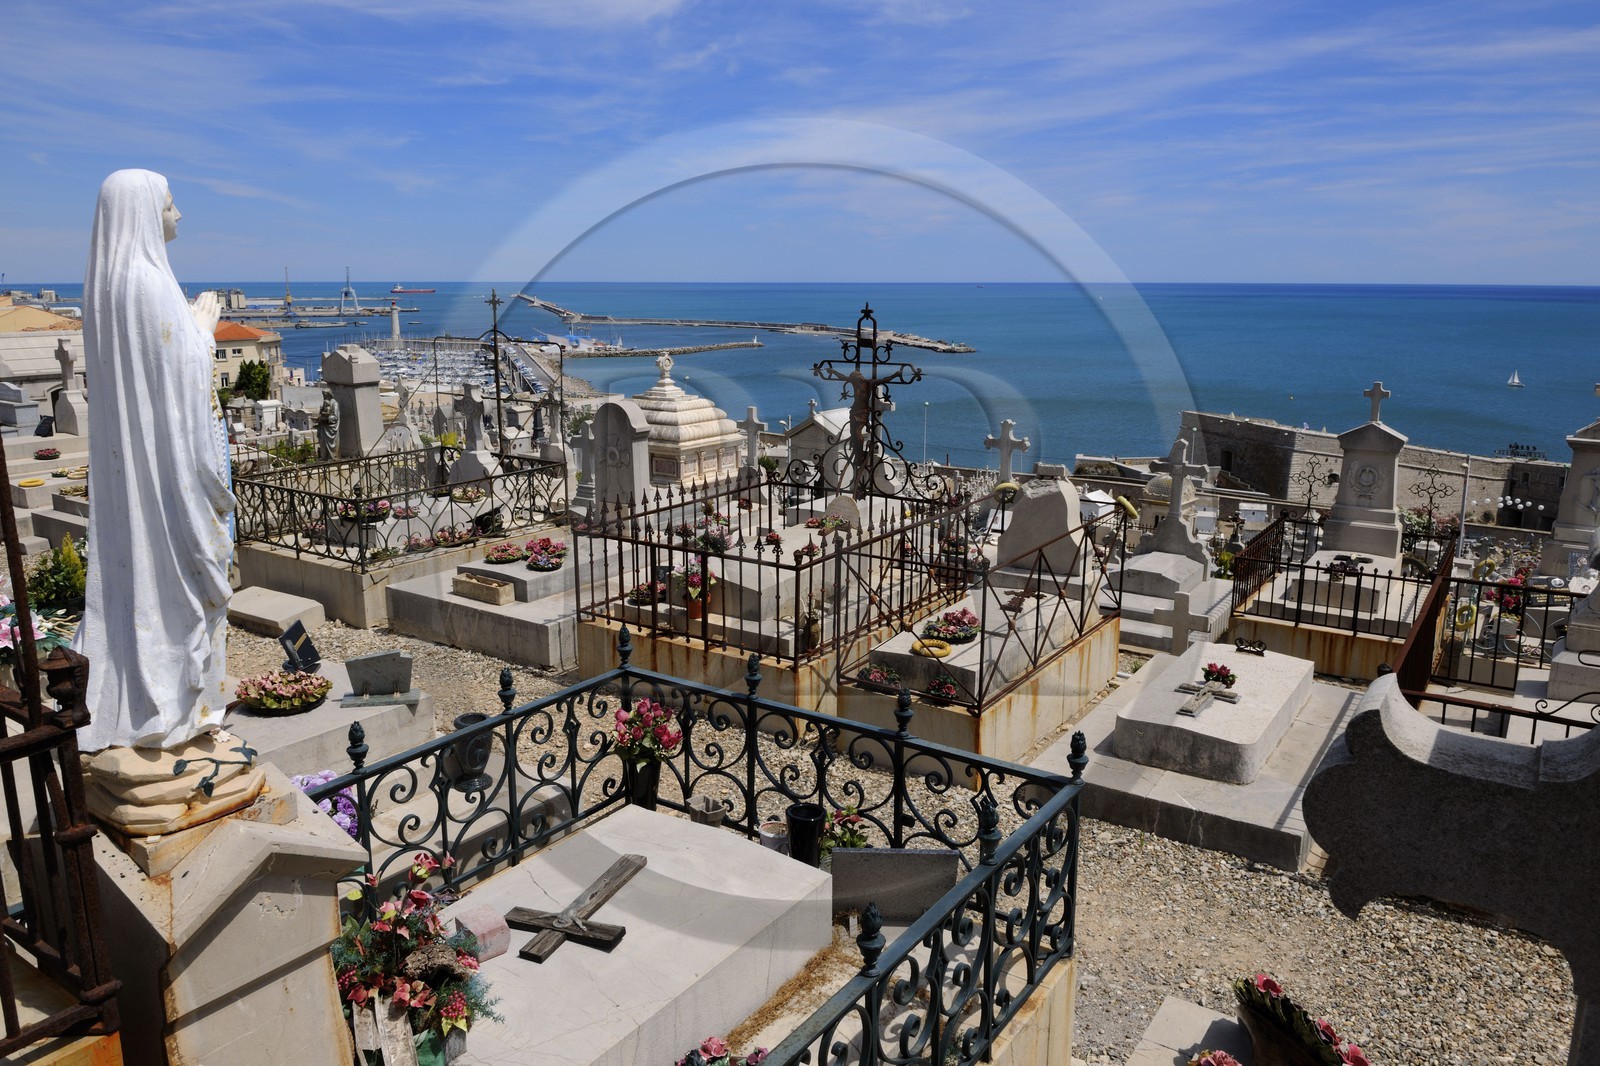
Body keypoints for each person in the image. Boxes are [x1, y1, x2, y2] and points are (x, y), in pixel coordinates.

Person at [73, 170, 235, 751]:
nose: (179, 215)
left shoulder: (106, 285)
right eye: (171, 204)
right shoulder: (144, 282)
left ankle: (176, 699)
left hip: (141, 467)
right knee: (183, 586)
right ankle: (177, 705)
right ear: (145, 212)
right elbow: (181, 374)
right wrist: (204, 328)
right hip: (172, 474)